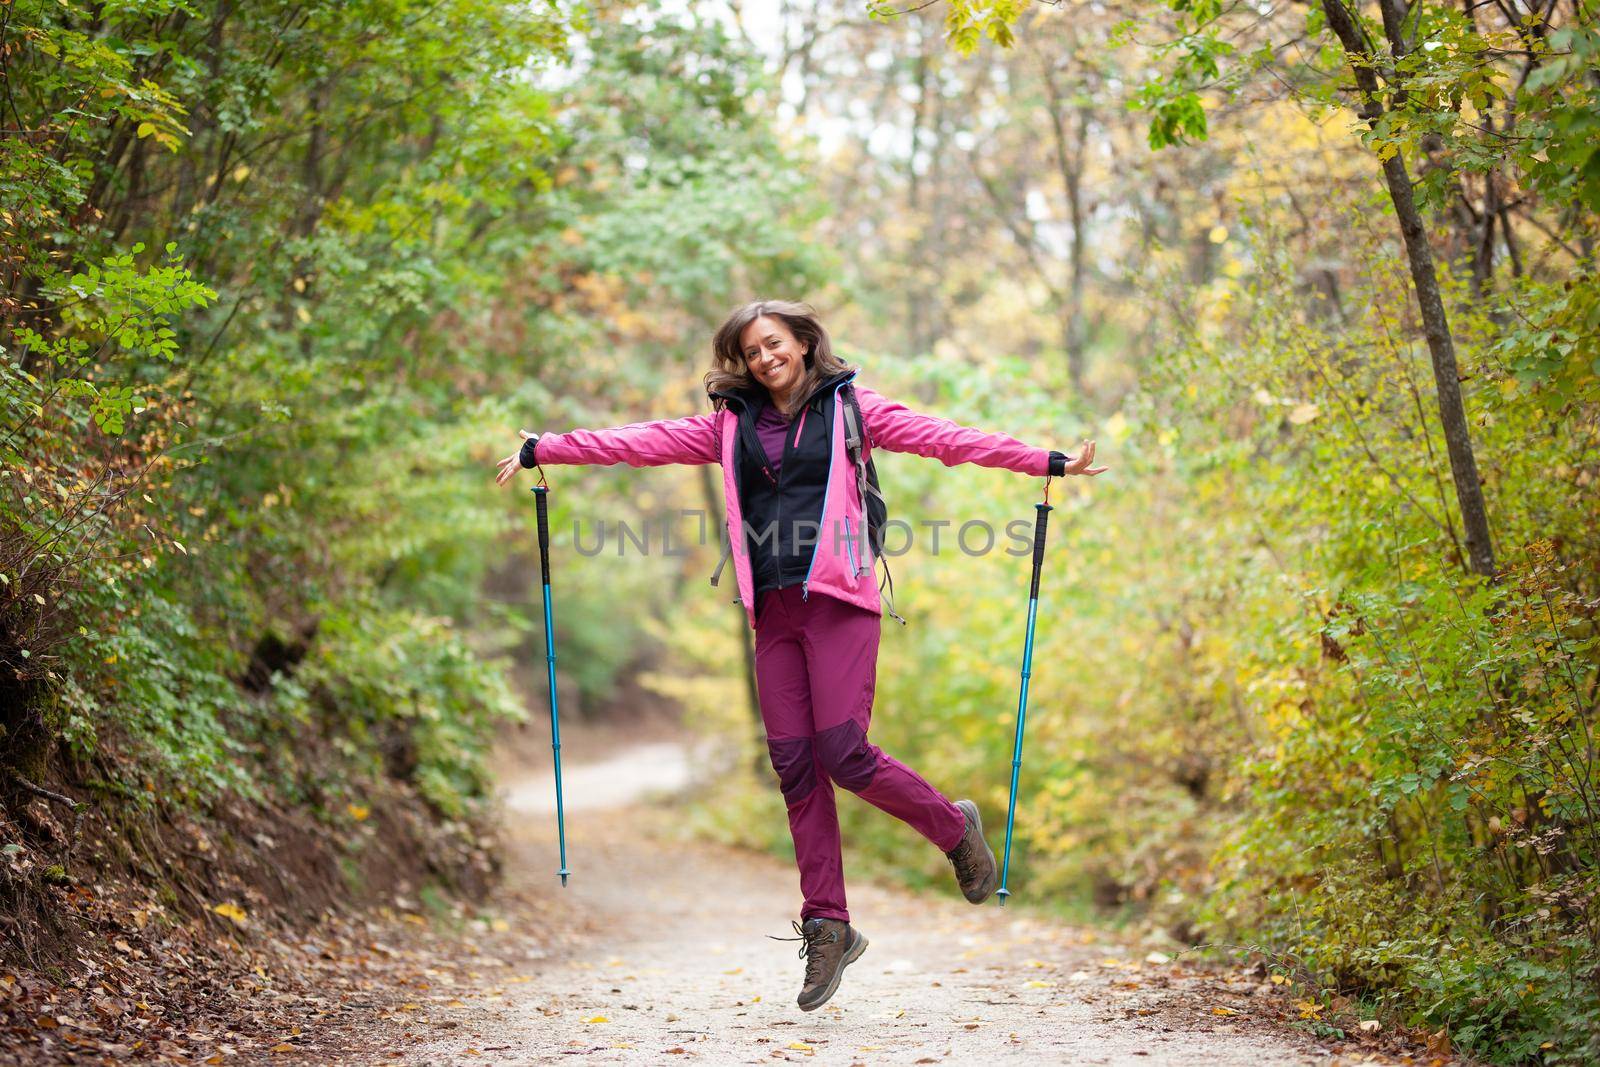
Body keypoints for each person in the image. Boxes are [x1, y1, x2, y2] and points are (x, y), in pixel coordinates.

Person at [494, 299, 1106, 1012]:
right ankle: (829, 925)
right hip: (774, 612)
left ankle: (953, 826)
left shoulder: (852, 408)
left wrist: (1044, 460)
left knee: (844, 750)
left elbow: (945, 437)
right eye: (752, 350)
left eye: (774, 343)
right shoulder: (729, 425)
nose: (764, 357)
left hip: (839, 602)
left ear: (805, 342)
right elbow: (642, 440)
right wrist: (549, 448)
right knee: (794, 765)